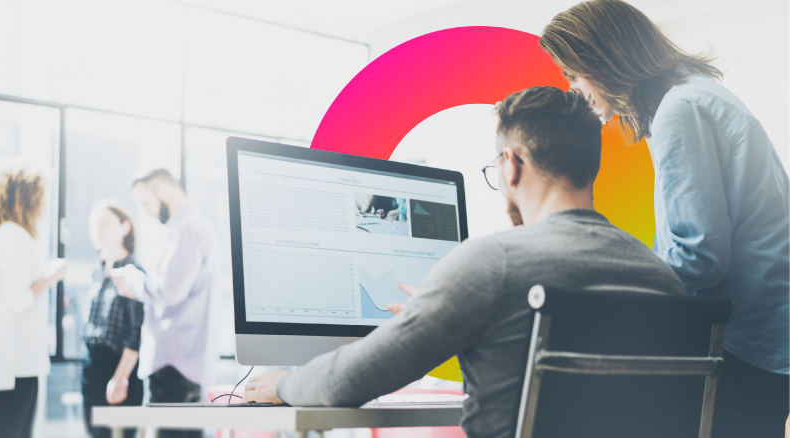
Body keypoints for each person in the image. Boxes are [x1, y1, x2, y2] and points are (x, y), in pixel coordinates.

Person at [242, 87, 686, 438]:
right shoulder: (660, 277)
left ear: (511, 165)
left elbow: (351, 380)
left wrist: (283, 384)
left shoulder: (494, 264)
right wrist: (443, 305)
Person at [538, 1, 789, 435]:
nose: (575, 89)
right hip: (766, 334)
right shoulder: (698, 94)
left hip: (746, 344)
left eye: (573, 74)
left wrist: (609, 281)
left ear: (603, 58)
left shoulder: (680, 110)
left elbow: (700, 257)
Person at [111, 169, 219, 438]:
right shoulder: (189, 227)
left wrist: (132, 281)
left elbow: (170, 290)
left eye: (146, 203)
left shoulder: (187, 229)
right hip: (181, 363)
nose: (146, 213)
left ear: (165, 192)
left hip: (173, 364)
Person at [0, 167, 66, 438]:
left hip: (9, 362)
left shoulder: (1, 234)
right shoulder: (14, 235)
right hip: (17, 364)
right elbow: (19, 298)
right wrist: (51, 276)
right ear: (27, 197)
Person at [82, 200, 145, 438]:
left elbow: (136, 332)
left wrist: (120, 377)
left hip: (119, 369)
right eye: (93, 224)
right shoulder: (97, 273)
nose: (97, 230)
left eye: (104, 223)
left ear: (125, 227)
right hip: (91, 368)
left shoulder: (133, 274)